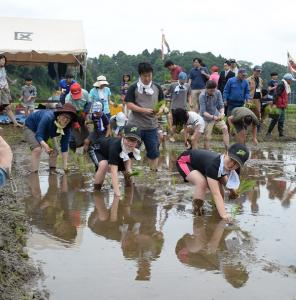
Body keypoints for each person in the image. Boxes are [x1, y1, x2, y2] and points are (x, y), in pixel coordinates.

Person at [176, 143, 250, 223]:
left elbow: (222, 177)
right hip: (184, 161)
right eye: (231, 159)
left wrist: (232, 191)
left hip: (202, 165)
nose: (232, 164)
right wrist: (224, 215)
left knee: (219, 188)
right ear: (226, 153)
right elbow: (216, 194)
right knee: (201, 182)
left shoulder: (223, 164)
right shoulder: (214, 165)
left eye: (236, 163)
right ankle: (197, 212)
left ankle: (217, 210)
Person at [125, 62, 164, 171]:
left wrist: (160, 110)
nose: (147, 78)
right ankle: (129, 174)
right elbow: (129, 104)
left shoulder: (157, 87)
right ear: (140, 75)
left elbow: (162, 102)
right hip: (135, 125)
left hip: (151, 126)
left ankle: (153, 174)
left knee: (154, 152)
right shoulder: (133, 87)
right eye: (144, 76)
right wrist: (144, 110)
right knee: (130, 150)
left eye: (149, 75)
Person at [85, 125, 142, 195]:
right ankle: (96, 190)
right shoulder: (115, 147)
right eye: (129, 139)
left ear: (137, 141)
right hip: (97, 148)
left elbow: (128, 164)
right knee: (104, 165)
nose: (131, 143)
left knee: (127, 173)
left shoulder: (134, 147)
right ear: (123, 137)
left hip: (111, 151)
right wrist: (117, 193)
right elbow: (114, 172)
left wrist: (129, 172)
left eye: (134, 141)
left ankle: (129, 190)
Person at [24, 103, 78, 173]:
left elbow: (64, 146)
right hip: (31, 127)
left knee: (54, 151)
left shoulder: (67, 127)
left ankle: (52, 171)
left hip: (48, 132)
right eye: (64, 116)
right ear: (59, 115)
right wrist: (45, 145)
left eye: (69, 118)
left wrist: (65, 167)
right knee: (37, 149)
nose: (65, 120)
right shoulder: (48, 117)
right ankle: (34, 174)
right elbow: (39, 135)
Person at [199, 80, 229, 150]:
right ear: (206, 89)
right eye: (211, 91)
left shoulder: (218, 92)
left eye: (214, 90)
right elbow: (203, 111)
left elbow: (221, 105)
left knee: (225, 128)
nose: (213, 92)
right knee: (207, 136)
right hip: (206, 118)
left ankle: (227, 149)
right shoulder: (202, 96)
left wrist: (222, 113)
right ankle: (207, 151)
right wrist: (212, 117)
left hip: (216, 114)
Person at [266, 73, 295, 138]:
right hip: (278, 105)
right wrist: (274, 104)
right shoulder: (281, 85)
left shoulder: (286, 85)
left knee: (281, 120)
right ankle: (268, 133)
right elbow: (276, 95)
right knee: (275, 119)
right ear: (287, 80)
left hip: (282, 106)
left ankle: (281, 135)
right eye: (291, 80)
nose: (292, 81)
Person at [65, 82, 91, 151]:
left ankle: (87, 149)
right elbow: (69, 112)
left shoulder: (85, 93)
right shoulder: (68, 99)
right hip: (73, 113)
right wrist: (75, 122)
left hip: (82, 112)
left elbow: (89, 103)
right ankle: (72, 152)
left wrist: (85, 112)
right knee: (72, 135)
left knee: (86, 132)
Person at [167, 72, 192, 142]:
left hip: (183, 107)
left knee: (185, 123)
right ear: (179, 79)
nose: (184, 81)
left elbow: (189, 95)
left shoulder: (187, 86)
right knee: (175, 124)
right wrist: (166, 99)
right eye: (182, 80)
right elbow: (167, 93)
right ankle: (171, 136)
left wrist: (190, 103)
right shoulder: (173, 85)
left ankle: (186, 138)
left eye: (185, 80)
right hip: (174, 107)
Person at [0, 55, 22, 127]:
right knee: (6, 107)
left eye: (4, 60)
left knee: (8, 107)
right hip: (1, 90)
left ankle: (15, 123)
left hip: (5, 89)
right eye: (2, 60)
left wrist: (11, 81)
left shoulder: (3, 68)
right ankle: (15, 123)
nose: (3, 61)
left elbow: (5, 76)